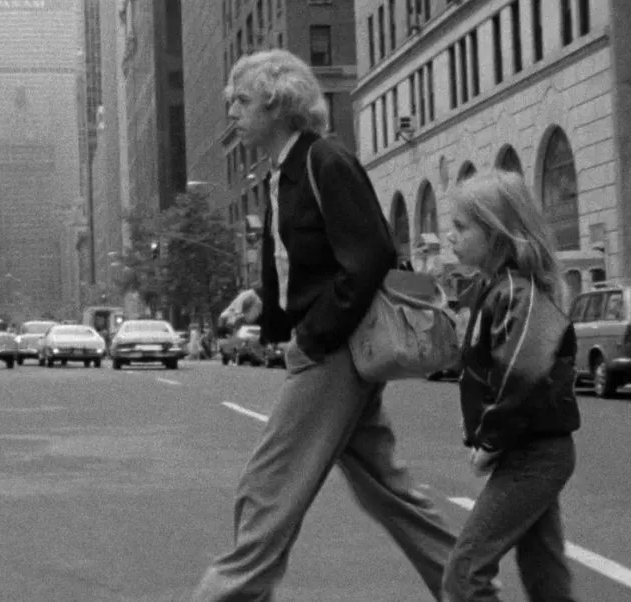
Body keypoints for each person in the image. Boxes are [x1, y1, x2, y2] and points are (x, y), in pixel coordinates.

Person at [191, 49, 457, 601]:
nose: (232, 113)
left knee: (267, 490)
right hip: (339, 348)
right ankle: (471, 589)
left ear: (278, 104)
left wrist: (312, 339)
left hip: (335, 352)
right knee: (390, 493)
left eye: (242, 101)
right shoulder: (282, 171)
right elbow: (315, 263)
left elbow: (370, 254)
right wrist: (264, 299)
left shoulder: (325, 161)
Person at [442, 170, 582, 601]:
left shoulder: (518, 294)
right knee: (544, 572)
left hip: (532, 451)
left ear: (498, 233)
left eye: (461, 227)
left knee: (465, 575)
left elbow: (522, 373)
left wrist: (490, 438)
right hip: (534, 447)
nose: (450, 237)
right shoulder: (500, 290)